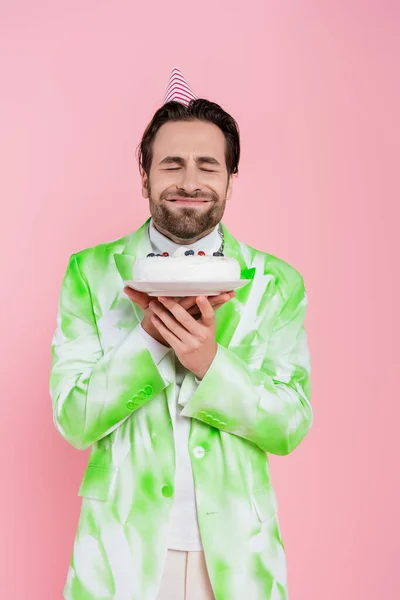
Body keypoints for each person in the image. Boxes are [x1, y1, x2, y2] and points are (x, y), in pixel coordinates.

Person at [50, 67, 313, 600]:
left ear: (230, 179)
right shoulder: (90, 273)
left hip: (239, 558)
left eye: (207, 165)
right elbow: (73, 420)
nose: (189, 181)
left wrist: (211, 364)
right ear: (143, 174)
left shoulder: (275, 283)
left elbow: (290, 425)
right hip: (119, 553)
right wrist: (148, 341)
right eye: (171, 163)